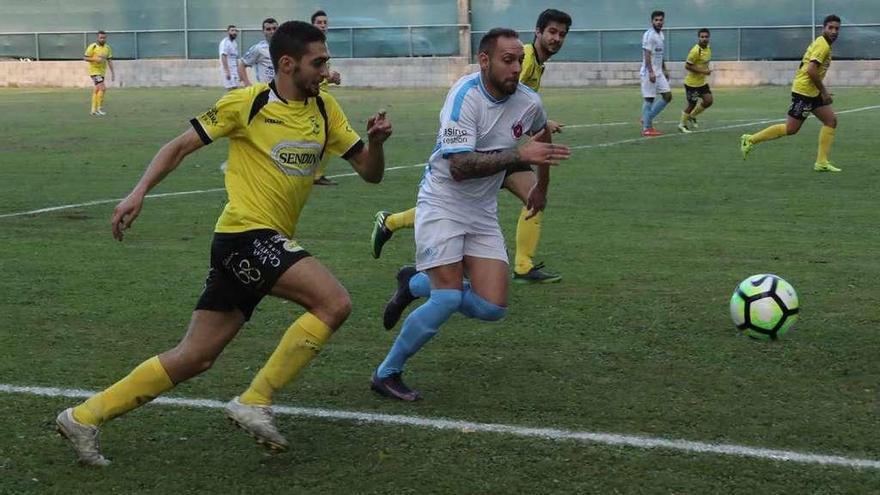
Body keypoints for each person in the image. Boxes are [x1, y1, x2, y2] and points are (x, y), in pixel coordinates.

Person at [55, 20, 393, 466]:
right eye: (319, 61)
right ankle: (256, 399)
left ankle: (83, 417)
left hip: (264, 243)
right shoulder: (246, 104)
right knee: (334, 302)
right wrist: (138, 192)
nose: (326, 69)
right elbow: (178, 147)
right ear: (287, 64)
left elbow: (371, 173)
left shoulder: (326, 109)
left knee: (194, 357)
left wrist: (374, 143)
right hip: (243, 236)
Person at [369, 28, 571, 401]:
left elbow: (541, 136)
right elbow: (460, 166)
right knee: (446, 299)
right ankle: (387, 373)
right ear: (484, 61)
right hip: (442, 202)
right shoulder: (464, 97)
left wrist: (541, 187)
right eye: (507, 60)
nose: (515, 68)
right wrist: (521, 157)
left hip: (481, 211)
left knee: (492, 307)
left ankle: (412, 283)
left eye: (519, 61)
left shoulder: (528, 101)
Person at [370, 9, 573, 285]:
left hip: (502, 147)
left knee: (532, 197)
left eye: (562, 34)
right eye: (552, 32)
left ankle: (392, 223)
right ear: (537, 32)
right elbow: (503, 99)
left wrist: (542, 123)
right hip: (485, 148)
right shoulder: (522, 60)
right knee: (456, 206)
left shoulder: (534, 62)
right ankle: (518, 266)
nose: (557, 38)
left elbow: (520, 107)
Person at [741, 15, 842, 172]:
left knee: (831, 121)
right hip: (805, 92)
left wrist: (821, 91)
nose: (834, 31)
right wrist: (824, 92)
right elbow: (811, 70)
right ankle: (750, 139)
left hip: (811, 91)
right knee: (791, 129)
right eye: (831, 28)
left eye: (837, 28)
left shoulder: (823, 44)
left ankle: (821, 162)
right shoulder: (823, 46)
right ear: (823, 28)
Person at [311, 9, 343, 185]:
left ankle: (315, 174)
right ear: (312, 25)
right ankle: (314, 175)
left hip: (323, 96)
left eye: (325, 23)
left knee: (327, 136)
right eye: (319, 22)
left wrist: (331, 78)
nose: (323, 25)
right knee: (329, 135)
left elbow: (322, 74)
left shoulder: (323, 44)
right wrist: (328, 75)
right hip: (315, 97)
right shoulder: (309, 45)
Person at [640, 10, 670, 137]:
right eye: (656, 20)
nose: (659, 22)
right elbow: (647, 54)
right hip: (649, 72)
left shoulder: (661, 35)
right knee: (649, 98)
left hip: (659, 72)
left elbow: (659, 54)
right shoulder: (649, 35)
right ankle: (647, 128)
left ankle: (647, 117)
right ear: (652, 21)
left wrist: (664, 69)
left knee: (668, 96)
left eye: (660, 20)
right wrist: (651, 72)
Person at [678, 29, 713, 134]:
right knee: (691, 105)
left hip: (702, 83)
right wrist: (704, 71)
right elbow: (687, 65)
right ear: (698, 38)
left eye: (706, 37)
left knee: (708, 101)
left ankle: (692, 116)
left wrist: (705, 71)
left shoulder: (708, 48)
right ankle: (681, 125)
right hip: (691, 84)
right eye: (702, 37)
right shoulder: (695, 51)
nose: (704, 39)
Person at [238, 18, 278, 86]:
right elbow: (242, 64)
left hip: (281, 91)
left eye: (274, 28)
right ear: (263, 31)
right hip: (265, 91)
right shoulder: (258, 48)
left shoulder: (284, 47)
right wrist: (247, 83)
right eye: (268, 29)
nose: (272, 32)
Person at [84, 31, 114, 116]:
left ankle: (93, 110)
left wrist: (113, 72)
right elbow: (85, 57)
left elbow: (109, 60)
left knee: (97, 89)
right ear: (97, 38)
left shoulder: (107, 48)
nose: (102, 39)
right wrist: (95, 59)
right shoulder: (93, 46)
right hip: (94, 71)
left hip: (102, 72)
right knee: (103, 88)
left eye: (104, 38)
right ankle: (99, 108)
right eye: (101, 37)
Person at [219, 25, 241, 90]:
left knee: (235, 89)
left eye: (235, 31)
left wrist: (238, 70)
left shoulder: (234, 43)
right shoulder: (225, 43)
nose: (234, 32)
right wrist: (227, 71)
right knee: (230, 89)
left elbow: (236, 57)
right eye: (232, 30)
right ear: (228, 32)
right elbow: (223, 56)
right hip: (228, 70)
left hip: (234, 70)